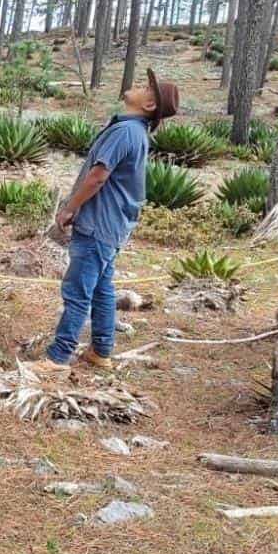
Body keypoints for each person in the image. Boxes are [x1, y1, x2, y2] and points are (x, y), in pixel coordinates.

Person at [33, 67, 180, 378]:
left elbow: (98, 177)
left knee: (78, 290)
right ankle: (101, 351)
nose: (137, 86)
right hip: (112, 227)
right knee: (101, 288)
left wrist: (69, 209)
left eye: (145, 87)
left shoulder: (126, 132)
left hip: (98, 224)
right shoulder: (134, 131)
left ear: (149, 105)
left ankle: (58, 357)